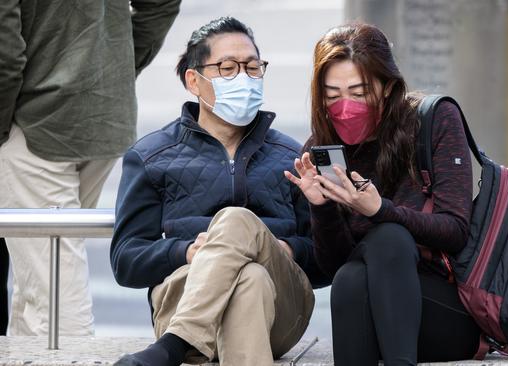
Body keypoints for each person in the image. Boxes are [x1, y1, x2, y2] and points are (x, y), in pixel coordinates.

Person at [110, 17, 327, 366]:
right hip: (183, 296)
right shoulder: (151, 157)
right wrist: (184, 252)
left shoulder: (292, 158)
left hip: (281, 310)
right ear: (193, 80)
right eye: (227, 68)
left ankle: (173, 346)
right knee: (249, 278)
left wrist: (287, 249)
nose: (243, 78)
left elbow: (325, 261)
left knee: (239, 224)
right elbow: (126, 261)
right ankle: (184, 335)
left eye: (253, 67)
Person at [285, 23, 482, 365]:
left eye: (359, 93)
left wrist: (380, 210)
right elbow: (334, 267)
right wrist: (323, 209)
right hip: (372, 311)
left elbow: (455, 230)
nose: (345, 106)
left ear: (388, 87)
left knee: (388, 236)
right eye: (333, 96)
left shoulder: (434, 121)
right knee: (349, 278)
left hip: (446, 308)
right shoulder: (322, 149)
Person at [0, 0, 181, 336]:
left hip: (37, 121)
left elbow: (5, 54)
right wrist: (113, 68)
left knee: (53, 291)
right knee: (42, 278)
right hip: (99, 113)